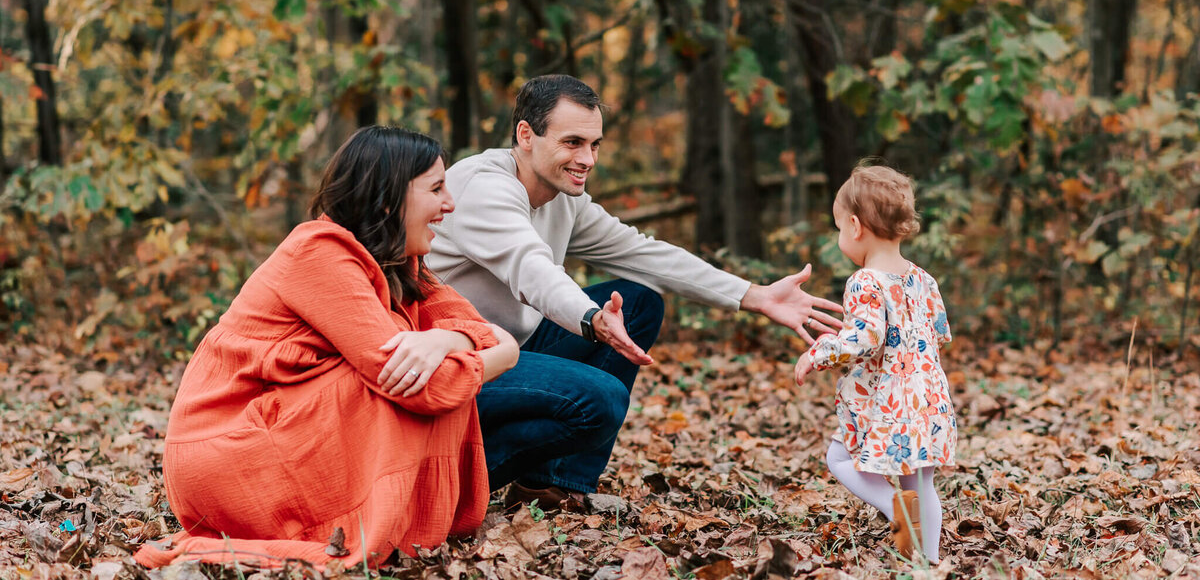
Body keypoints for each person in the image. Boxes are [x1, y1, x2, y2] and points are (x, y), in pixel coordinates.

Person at [427, 74, 844, 510]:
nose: (587, 159)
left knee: (640, 299)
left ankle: (549, 485)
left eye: (595, 144)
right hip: (463, 364)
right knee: (600, 401)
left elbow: (641, 253)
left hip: (518, 347)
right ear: (526, 135)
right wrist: (591, 320)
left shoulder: (561, 194)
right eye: (572, 142)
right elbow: (533, 271)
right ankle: (454, 485)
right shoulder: (482, 187)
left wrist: (753, 295)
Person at [134, 127, 519, 569]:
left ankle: (391, 521)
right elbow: (431, 383)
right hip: (224, 454)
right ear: (389, 199)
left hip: (272, 433)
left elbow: (480, 328)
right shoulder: (319, 253)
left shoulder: (399, 262)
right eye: (436, 189)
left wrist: (444, 338)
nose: (449, 204)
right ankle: (347, 528)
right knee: (399, 384)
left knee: (412, 371)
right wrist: (491, 352)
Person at [793, 163, 956, 562]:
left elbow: (863, 340)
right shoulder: (924, 279)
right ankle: (928, 563)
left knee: (839, 458)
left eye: (837, 228)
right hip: (926, 398)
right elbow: (939, 334)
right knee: (921, 484)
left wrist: (819, 351)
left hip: (884, 398)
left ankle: (892, 504)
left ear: (854, 225)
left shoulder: (865, 281)